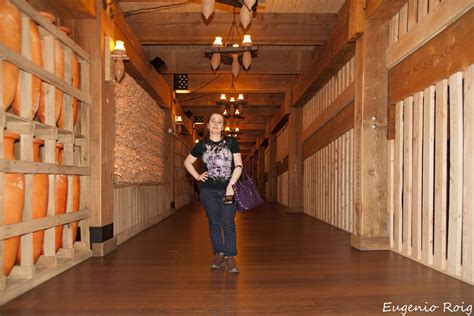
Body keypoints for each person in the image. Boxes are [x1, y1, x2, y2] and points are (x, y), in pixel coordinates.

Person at [184, 113, 243, 273]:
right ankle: (219, 254)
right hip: (208, 191)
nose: (216, 124)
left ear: (223, 126)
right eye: (213, 121)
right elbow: (187, 162)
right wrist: (197, 176)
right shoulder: (201, 145)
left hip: (228, 189)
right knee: (214, 223)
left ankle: (231, 258)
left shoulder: (231, 142)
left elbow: (238, 165)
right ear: (208, 125)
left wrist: (231, 184)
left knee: (228, 223)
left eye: (219, 122)